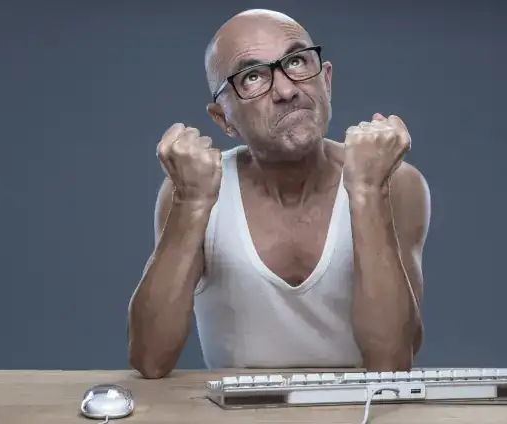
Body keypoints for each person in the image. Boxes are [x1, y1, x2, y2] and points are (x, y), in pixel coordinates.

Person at [127, 9, 431, 378]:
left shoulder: (396, 182)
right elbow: (149, 360)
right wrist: (190, 202)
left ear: (327, 81)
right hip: (234, 415)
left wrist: (368, 191)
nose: (287, 90)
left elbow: (393, 363)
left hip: (360, 412)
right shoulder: (195, 188)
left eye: (297, 61)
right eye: (252, 76)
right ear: (223, 119)